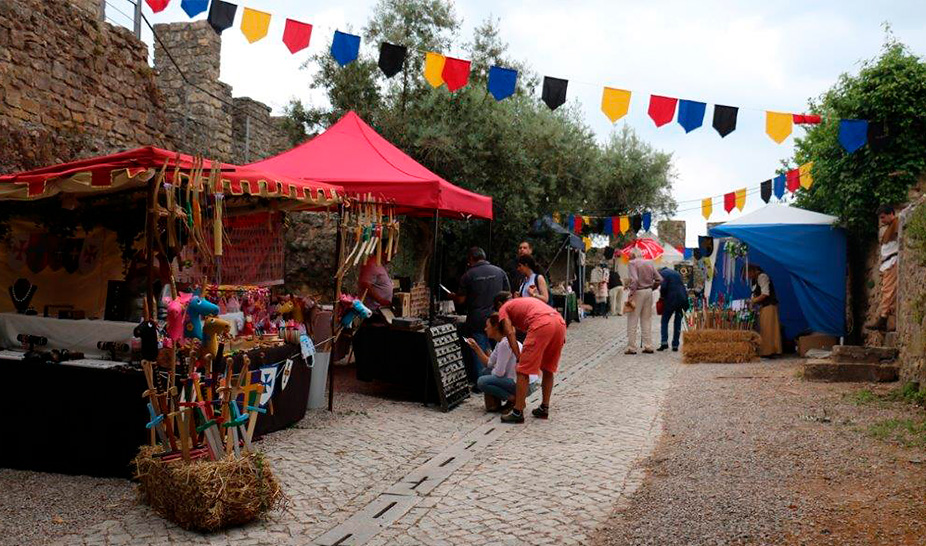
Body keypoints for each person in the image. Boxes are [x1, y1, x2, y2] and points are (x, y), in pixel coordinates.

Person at [493, 291, 567, 424]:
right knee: (548, 369)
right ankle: (544, 407)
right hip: (559, 322)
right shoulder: (522, 302)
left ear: (499, 304)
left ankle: (518, 412)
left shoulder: (504, 308)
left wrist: (518, 355)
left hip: (542, 324)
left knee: (522, 370)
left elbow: (509, 333)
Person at [454, 247, 510, 381]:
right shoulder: (500, 272)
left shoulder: (468, 275)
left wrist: (452, 296)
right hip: (497, 318)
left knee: (478, 350)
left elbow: (461, 300)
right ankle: (500, 378)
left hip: (477, 319)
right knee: (500, 349)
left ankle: (481, 382)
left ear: (471, 259)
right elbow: (508, 295)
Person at [464, 314, 522, 413]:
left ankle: (512, 399)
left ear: (495, 327)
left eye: (487, 326)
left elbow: (499, 373)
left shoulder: (504, 343)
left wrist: (495, 367)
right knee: (485, 372)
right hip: (514, 379)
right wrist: (476, 347)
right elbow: (489, 364)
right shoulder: (500, 342)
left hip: (521, 383)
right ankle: (495, 404)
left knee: (482, 381)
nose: (485, 329)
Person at [867, 204, 899, 331]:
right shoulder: (890, 226)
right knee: (888, 291)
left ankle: (883, 317)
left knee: (888, 290)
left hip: (892, 261)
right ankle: (888, 321)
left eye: (883, 217)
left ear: (891, 214)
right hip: (887, 262)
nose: (882, 220)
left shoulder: (897, 223)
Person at [625, 249, 662, 355]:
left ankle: (631, 347)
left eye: (629, 255)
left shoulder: (632, 263)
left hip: (637, 292)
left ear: (633, 254)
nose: (629, 257)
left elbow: (635, 280)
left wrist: (631, 291)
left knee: (632, 319)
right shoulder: (649, 262)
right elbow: (659, 279)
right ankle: (648, 345)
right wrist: (651, 287)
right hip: (648, 291)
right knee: (646, 319)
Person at [748, 264, 782, 357]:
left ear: (753, 271)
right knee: (763, 328)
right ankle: (766, 351)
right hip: (762, 307)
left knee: (768, 329)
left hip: (769, 305)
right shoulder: (754, 280)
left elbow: (765, 293)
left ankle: (769, 351)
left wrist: (753, 301)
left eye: (748, 274)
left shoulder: (762, 277)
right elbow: (754, 293)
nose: (748, 277)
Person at [658, 266, 688, 352]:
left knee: (664, 320)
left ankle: (664, 342)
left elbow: (663, 287)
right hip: (682, 299)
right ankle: (675, 345)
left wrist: (662, 296)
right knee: (677, 322)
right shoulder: (676, 273)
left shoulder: (662, 274)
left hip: (671, 300)